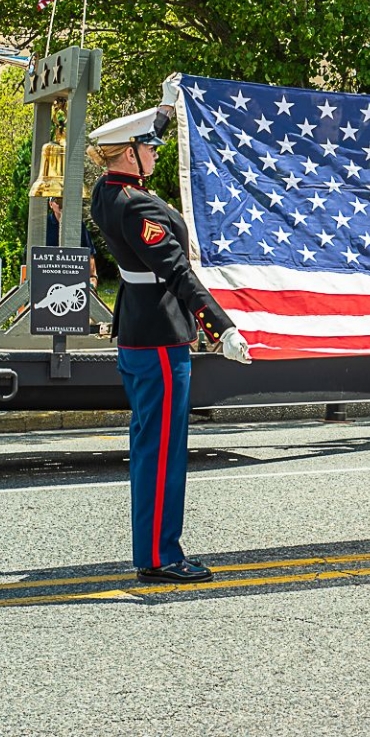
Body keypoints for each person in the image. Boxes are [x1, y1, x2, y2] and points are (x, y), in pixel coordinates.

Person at [88, 85, 252, 584]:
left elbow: (136, 147)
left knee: (150, 446)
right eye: (149, 147)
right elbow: (179, 273)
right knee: (162, 453)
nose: (157, 153)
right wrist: (221, 327)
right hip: (161, 336)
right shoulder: (139, 208)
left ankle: (153, 549)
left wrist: (161, 113)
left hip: (139, 329)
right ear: (129, 155)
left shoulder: (107, 191)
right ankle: (160, 557)